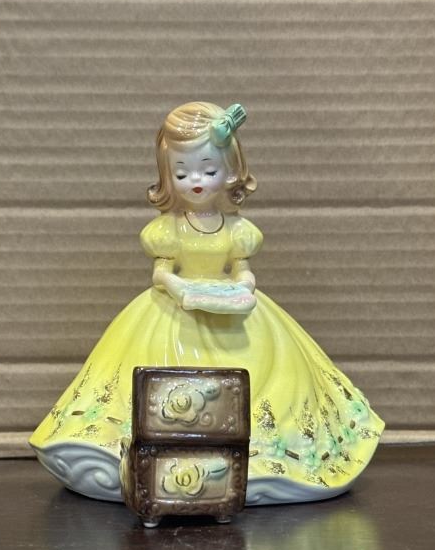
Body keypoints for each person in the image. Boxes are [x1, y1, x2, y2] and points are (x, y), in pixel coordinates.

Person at [29, 101, 384, 505]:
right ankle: (145, 456)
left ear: (230, 171)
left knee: (271, 375)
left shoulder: (238, 230)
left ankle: (262, 460)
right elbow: (160, 272)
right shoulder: (167, 230)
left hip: (233, 310)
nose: (195, 182)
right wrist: (178, 287)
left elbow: (243, 270)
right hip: (174, 309)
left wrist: (243, 287)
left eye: (208, 171)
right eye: (182, 174)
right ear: (167, 178)